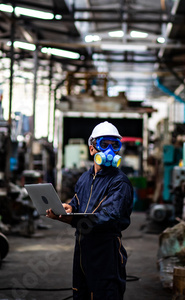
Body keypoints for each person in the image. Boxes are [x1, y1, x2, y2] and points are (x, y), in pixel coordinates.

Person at [46, 121, 134, 299]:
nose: (109, 151)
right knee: (81, 292)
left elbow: (109, 216)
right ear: (92, 148)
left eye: (114, 145)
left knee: (105, 294)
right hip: (82, 246)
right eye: (104, 144)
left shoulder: (119, 182)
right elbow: (78, 203)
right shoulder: (85, 178)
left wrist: (70, 219)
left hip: (106, 251)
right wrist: (69, 208)